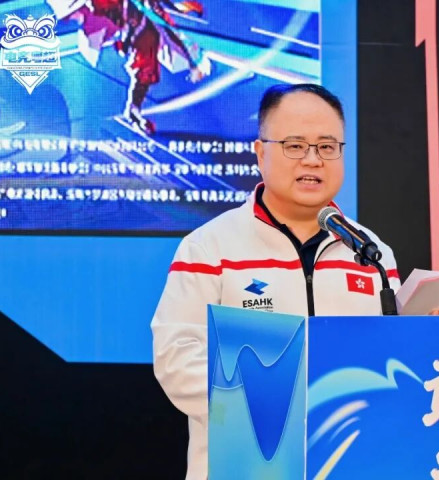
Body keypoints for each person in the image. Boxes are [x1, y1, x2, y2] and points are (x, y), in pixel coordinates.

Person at [151, 83, 401, 480]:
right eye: (295, 145)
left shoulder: (372, 253)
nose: (313, 160)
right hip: (246, 466)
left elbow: (391, 357)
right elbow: (177, 360)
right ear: (260, 152)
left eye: (327, 146)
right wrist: (280, 402)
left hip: (349, 460)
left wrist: (433, 334)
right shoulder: (210, 248)